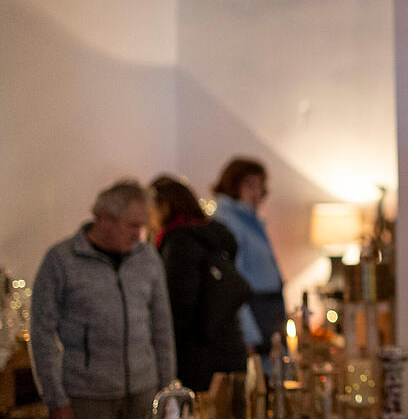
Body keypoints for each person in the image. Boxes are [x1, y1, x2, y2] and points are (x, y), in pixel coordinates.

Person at [30, 180, 176, 419]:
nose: (138, 235)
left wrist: (168, 390)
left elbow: (162, 327)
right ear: (105, 218)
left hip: (144, 392)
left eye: (141, 226)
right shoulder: (62, 260)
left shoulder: (148, 258)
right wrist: (56, 400)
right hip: (87, 396)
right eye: (132, 226)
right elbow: (41, 333)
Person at [150, 176, 250, 405]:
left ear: (165, 207)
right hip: (229, 343)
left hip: (199, 354)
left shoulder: (180, 242)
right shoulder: (211, 236)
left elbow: (180, 305)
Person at [211, 158, 286, 364]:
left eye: (260, 185)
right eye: (249, 185)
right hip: (254, 312)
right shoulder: (229, 221)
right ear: (233, 185)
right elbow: (233, 281)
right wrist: (248, 334)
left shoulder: (251, 220)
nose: (256, 192)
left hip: (268, 311)